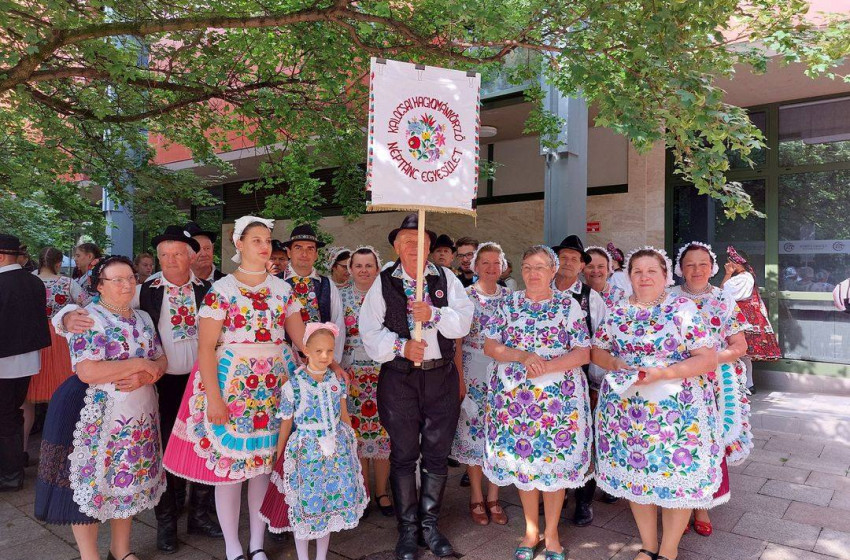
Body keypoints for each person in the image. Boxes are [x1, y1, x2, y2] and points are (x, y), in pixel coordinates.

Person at [56, 226, 226, 553]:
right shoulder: (143, 287)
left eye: (178, 253)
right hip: (161, 384)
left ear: (191, 256)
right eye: (164, 255)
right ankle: (166, 523)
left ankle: (201, 515)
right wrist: (64, 318)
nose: (170, 260)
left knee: (207, 444)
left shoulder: (211, 289)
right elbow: (97, 304)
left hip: (203, 382)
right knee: (163, 452)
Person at [163, 216, 305, 560]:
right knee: (229, 471)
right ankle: (232, 546)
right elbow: (206, 348)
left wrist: (327, 363)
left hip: (274, 386)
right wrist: (213, 398)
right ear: (238, 244)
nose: (264, 245)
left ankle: (257, 544)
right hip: (232, 387)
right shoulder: (222, 290)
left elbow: (300, 338)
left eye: (267, 240)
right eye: (256, 239)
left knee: (262, 466)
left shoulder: (283, 289)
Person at [35, 255, 168, 560]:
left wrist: (150, 372)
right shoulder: (88, 317)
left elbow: (161, 359)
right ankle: (89, 555)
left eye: (130, 278)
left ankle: (121, 550)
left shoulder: (143, 318)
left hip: (138, 414)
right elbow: (88, 371)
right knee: (87, 487)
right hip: (94, 412)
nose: (126, 285)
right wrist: (138, 365)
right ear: (99, 286)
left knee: (128, 480)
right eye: (117, 280)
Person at [591, 247, 720, 560]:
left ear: (665, 276)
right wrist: (617, 364)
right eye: (638, 271)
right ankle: (648, 545)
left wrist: (662, 372)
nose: (644, 277)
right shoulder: (618, 309)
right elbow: (597, 351)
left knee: (677, 478)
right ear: (629, 276)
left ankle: (669, 549)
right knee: (639, 480)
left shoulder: (682, 308)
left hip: (677, 411)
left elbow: (707, 358)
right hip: (626, 413)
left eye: (652, 271)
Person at [359, 213, 474, 560]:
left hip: (440, 376)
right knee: (404, 453)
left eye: (420, 241)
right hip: (399, 378)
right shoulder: (383, 283)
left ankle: (430, 526)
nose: (414, 247)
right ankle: (407, 529)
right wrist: (401, 346)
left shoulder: (446, 277)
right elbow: (369, 332)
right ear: (396, 246)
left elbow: (464, 321)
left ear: (428, 247)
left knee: (438, 454)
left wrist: (435, 315)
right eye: (407, 241)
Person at [483, 245, 591, 560]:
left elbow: (583, 351)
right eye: (528, 266)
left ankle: (553, 532)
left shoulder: (568, 305)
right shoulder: (507, 303)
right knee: (525, 464)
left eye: (540, 267)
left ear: (553, 271)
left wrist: (546, 366)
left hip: (557, 402)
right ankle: (531, 530)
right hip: (514, 401)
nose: (533, 273)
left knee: (553, 467)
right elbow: (491, 346)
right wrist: (524, 357)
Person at [260, 323, 368, 560]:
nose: (325, 356)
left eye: (329, 351)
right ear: (306, 350)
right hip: (307, 454)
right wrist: (280, 460)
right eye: (318, 351)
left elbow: (343, 413)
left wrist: (351, 443)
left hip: (335, 450)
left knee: (327, 508)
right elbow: (286, 425)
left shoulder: (336, 380)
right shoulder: (294, 386)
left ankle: (321, 557)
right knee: (305, 507)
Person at [671, 242, 749, 537]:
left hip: (715, 379)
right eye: (690, 264)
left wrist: (706, 360)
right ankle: (677, 498)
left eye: (703, 264)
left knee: (709, 439)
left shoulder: (724, 300)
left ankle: (703, 504)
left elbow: (739, 346)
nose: (697, 270)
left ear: (713, 267)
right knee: (678, 438)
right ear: (680, 269)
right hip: (677, 379)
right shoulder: (669, 299)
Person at [452, 242, 511, 527]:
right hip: (473, 371)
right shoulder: (465, 297)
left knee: (497, 436)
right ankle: (476, 495)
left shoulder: (512, 297)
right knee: (473, 434)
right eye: (485, 262)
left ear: (502, 267)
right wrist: (460, 379)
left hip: (502, 375)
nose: (490, 268)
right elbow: (457, 342)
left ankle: (494, 496)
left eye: (495, 262)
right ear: (475, 266)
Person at [551, 235, 608, 525]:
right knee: (550, 436)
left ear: (583, 265)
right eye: (564, 256)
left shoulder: (590, 297)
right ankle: (553, 496)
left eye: (575, 258)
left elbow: (599, 343)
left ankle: (583, 500)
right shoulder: (540, 290)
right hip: (546, 382)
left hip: (580, 380)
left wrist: (596, 384)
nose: (568, 262)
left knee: (584, 439)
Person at [340, 247, 393, 516]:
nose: (363, 270)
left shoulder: (387, 296)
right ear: (350, 269)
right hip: (352, 377)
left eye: (368, 265)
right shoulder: (340, 297)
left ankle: (382, 491)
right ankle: (362, 492)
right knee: (357, 436)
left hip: (383, 373)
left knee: (382, 434)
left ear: (377, 268)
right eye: (358, 265)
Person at [0, 234, 51, 492]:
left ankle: (10, 473)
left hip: (4, 360)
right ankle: (15, 463)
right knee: (13, 413)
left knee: (6, 416)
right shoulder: (34, 282)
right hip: (28, 359)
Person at [22, 248, 84, 460]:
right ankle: (60, 449)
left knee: (26, 401)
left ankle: (21, 450)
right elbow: (87, 302)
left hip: (33, 338)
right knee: (60, 398)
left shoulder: (28, 280)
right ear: (58, 263)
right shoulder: (67, 283)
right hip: (59, 340)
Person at [281, 224, 346, 363]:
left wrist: (331, 362)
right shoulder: (275, 283)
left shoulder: (327, 285)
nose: (304, 254)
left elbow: (337, 324)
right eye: (298, 248)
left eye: (310, 249)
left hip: (318, 364)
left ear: (316, 254)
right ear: (288, 252)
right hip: (282, 361)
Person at [722, 246, 781, 394]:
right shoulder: (745, 277)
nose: (728, 265)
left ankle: (746, 384)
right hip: (743, 317)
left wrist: (727, 274)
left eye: (729, 262)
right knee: (743, 354)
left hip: (743, 318)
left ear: (735, 263)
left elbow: (723, 292)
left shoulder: (744, 278)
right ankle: (747, 384)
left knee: (740, 352)